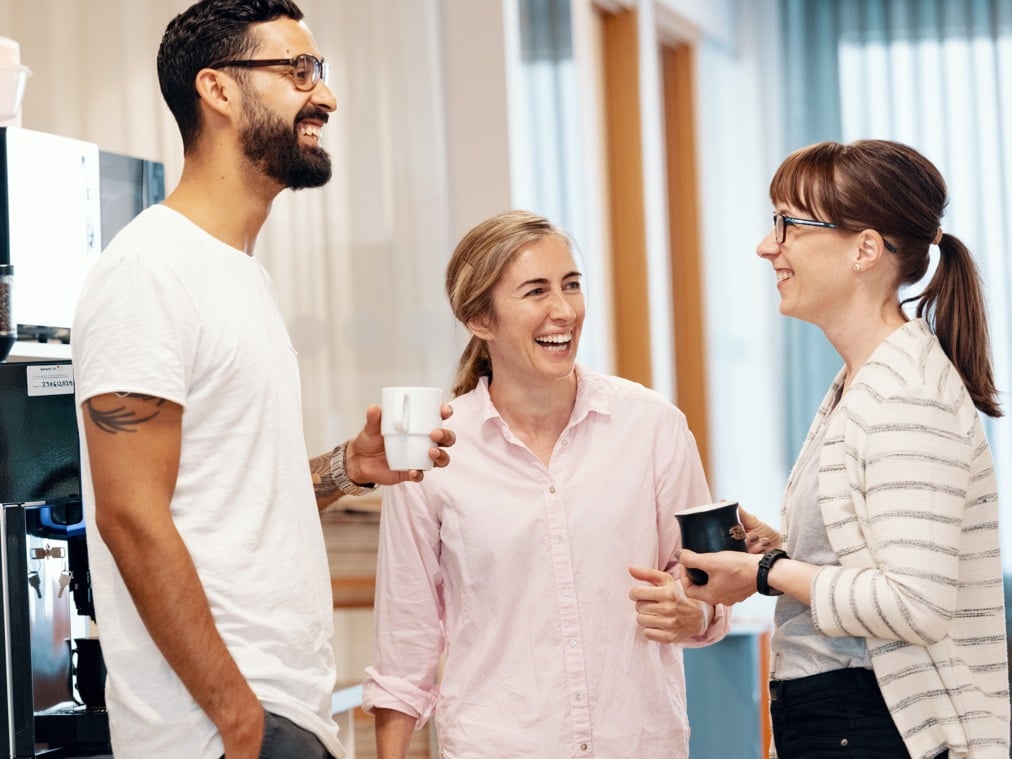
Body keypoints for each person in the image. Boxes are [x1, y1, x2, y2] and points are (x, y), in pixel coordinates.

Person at [71, 2, 454, 758]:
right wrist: (239, 720)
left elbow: (230, 498)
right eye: (298, 71)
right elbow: (131, 519)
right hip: (218, 726)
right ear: (216, 89)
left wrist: (349, 466)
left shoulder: (242, 277)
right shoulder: (146, 272)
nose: (326, 97)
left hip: (276, 712)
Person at [679, 140, 1009, 759]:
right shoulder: (866, 380)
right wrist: (780, 550)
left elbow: (915, 604)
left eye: (789, 225)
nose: (766, 245)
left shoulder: (906, 396)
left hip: (869, 720)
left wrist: (766, 573)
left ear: (865, 249)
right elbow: (873, 567)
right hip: (843, 715)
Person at [361, 210, 731, 758]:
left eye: (572, 285)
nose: (563, 311)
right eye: (536, 291)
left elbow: (711, 579)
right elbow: (405, 643)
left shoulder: (652, 425)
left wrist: (695, 610)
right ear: (479, 318)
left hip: (638, 744)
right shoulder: (433, 449)